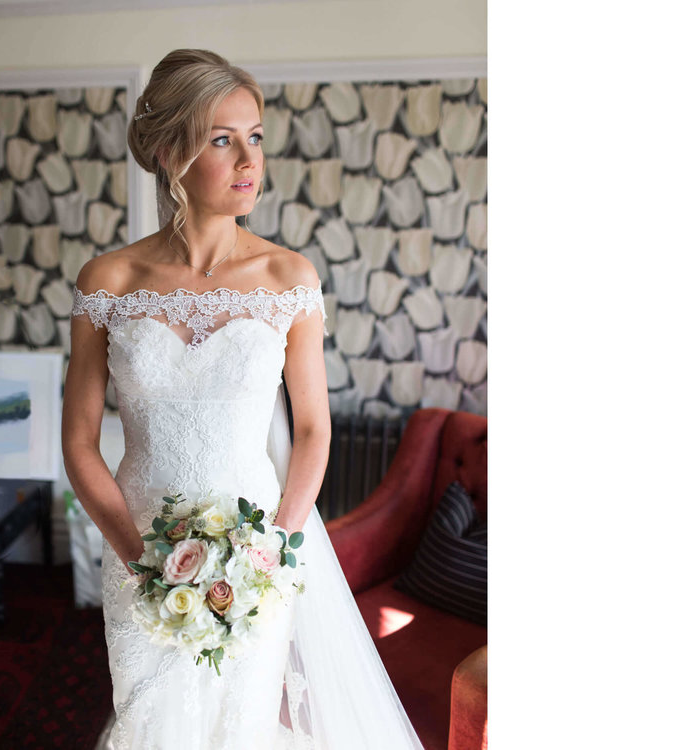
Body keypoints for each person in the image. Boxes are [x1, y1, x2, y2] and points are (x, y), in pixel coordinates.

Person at [62, 49, 423, 750]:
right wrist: (142, 561)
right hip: (135, 543)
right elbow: (79, 442)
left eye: (254, 136)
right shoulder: (108, 280)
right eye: (221, 139)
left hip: (259, 549)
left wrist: (275, 551)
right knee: (152, 720)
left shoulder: (288, 277)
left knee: (243, 725)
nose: (248, 159)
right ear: (171, 152)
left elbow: (314, 430)